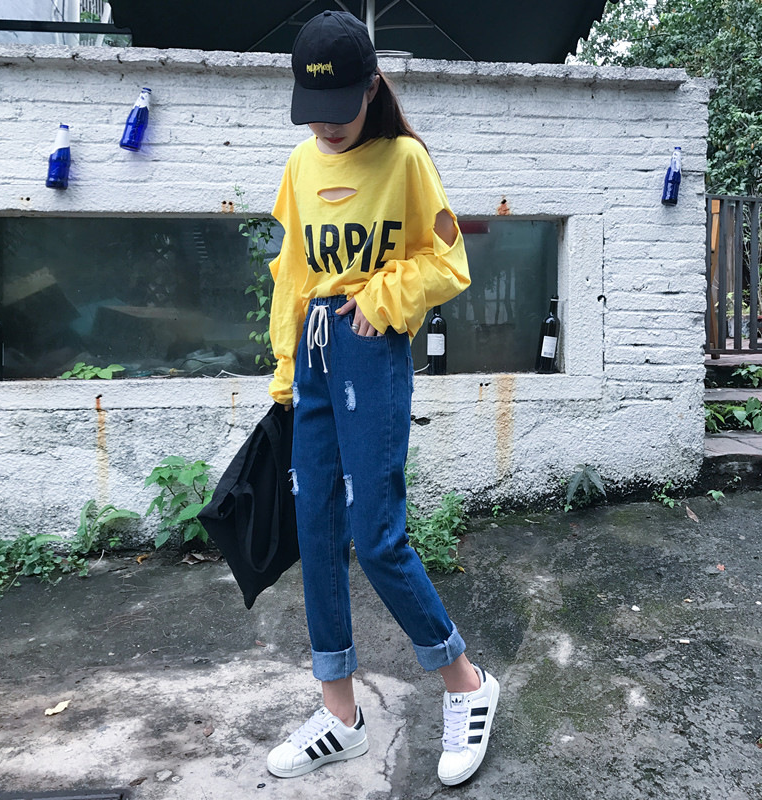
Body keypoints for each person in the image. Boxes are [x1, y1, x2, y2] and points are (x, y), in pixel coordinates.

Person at [264, 9, 499, 787]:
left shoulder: (404, 160)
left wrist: (385, 295)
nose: (326, 127)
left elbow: (448, 261)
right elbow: (293, 273)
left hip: (373, 350)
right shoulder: (301, 165)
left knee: (377, 535)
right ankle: (341, 716)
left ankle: (467, 683)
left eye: (340, 107)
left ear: (371, 88)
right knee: (317, 530)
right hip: (314, 355)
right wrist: (285, 367)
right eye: (313, 111)